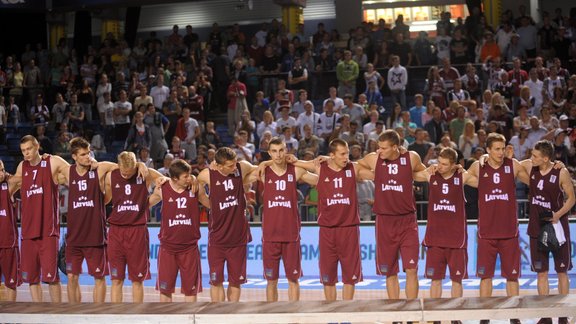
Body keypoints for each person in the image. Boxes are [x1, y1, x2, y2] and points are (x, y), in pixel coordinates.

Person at [288, 139, 373, 301]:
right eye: (342, 154)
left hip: (349, 230)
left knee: (350, 277)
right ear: (332, 155)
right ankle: (332, 313)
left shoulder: (353, 168)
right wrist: (320, 160)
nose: (346, 157)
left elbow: (377, 170)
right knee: (328, 278)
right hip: (327, 231)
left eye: (347, 153)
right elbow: (293, 163)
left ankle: (346, 315)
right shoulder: (320, 169)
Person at [356, 130, 429, 300]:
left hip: (407, 220)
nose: (379, 151)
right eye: (378, 147)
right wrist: (373, 174)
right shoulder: (374, 159)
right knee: (390, 271)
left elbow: (423, 174)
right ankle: (396, 313)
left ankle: (411, 313)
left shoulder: (411, 157)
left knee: (411, 269)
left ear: (396, 147)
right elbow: (355, 167)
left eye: (384, 148)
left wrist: (410, 177)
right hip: (385, 221)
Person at [467, 133, 530, 310]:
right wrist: (483, 158)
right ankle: (485, 315)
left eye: (503, 148)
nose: (501, 152)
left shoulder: (513, 165)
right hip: (487, 232)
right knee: (485, 277)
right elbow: (458, 176)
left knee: (512, 277)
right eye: (496, 149)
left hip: (509, 232)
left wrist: (553, 166)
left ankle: (514, 315)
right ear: (488, 150)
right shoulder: (478, 167)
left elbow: (534, 178)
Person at [253, 138, 318, 301]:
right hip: (270, 236)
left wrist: (299, 162)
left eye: (281, 150)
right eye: (274, 151)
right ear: (269, 153)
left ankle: (293, 316)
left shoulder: (295, 171)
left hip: (291, 235)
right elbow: (238, 173)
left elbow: (320, 177)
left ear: (286, 151)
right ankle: (272, 318)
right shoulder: (262, 172)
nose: (278, 154)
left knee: (293, 280)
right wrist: (264, 163)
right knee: (271, 281)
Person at [518, 140, 575, 324]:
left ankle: (564, 314)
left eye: (535, 155)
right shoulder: (530, 166)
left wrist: (557, 214)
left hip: (556, 227)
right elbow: (512, 165)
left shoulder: (561, 172)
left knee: (561, 272)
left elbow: (572, 199)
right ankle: (546, 315)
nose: (530, 158)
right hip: (536, 227)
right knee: (541, 273)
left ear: (545, 158)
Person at [13, 135, 71, 302]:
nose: (26, 153)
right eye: (23, 151)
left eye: (29, 149)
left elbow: (74, 172)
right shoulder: (21, 167)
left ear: (37, 146)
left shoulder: (51, 162)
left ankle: (57, 314)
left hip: (48, 231)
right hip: (28, 232)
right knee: (32, 279)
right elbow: (9, 186)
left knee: (52, 278)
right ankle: (38, 314)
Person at [196, 147, 258, 302]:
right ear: (218, 165)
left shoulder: (240, 167)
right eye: (230, 165)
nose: (234, 167)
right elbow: (196, 187)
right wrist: (210, 204)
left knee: (236, 282)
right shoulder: (207, 174)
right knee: (216, 281)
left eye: (234, 163)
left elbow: (258, 168)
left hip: (238, 238)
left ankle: (232, 316)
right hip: (217, 238)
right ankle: (218, 317)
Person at [104, 151, 162, 303]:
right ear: (118, 166)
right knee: (116, 279)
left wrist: (148, 202)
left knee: (137, 280)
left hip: (137, 230)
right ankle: (116, 317)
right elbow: (107, 199)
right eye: (123, 172)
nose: (126, 175)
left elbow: (164, 180)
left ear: (135, 166)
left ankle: (137, 316)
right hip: (116, 230)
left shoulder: (144, 173)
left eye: (129, 172)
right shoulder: (111, 176)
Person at [421, 148, 478, 299]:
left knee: (457, 280)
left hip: (456, 240)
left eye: (445, 164)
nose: (440, 166)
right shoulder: (431, 175)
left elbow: (484, 180)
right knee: (435, 280)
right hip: (435, 239)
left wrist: (467, 168)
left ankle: (455, 318)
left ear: (454, 165)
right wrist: (428, 167)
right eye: (439, 162)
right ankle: (436, 318)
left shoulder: (462, 177)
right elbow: (411, 173)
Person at [148, 159, 205, 303]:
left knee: (191, 292)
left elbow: (210, 202)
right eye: (185, 176)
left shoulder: (194, 187)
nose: (189, 178)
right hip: (168, 248)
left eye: (189, 175)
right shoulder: (162, 188)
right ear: (174, 178)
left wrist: (193, 178)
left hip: (189, 248)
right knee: (165, 291)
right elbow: (147, 203)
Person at [0, 160, 21, 301]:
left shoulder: (9, 184)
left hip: (8, 243)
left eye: (2, 169)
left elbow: (26, 175)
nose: (1, 173)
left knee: (11, 283)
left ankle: (11, 320)